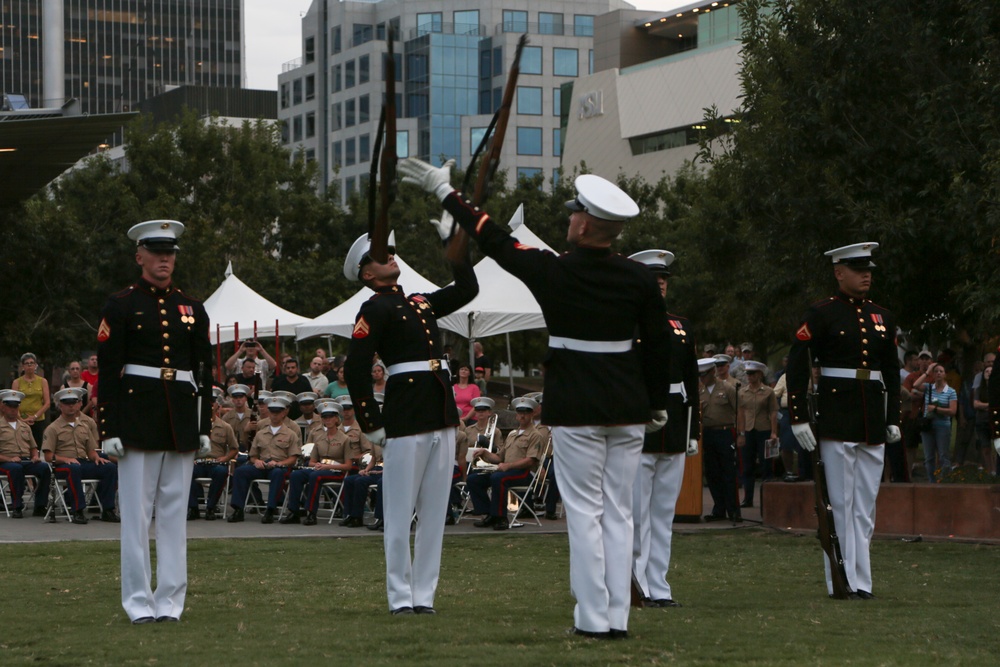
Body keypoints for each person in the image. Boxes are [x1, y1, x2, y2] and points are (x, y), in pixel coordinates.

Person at [400, 159, 669, 638]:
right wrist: (655, 401)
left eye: (572, 215)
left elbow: (496, 238)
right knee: (620, 512)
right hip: (628, 407)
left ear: (584, 224)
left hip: (577, 407)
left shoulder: (554, 272)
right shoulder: (641, 279)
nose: (568, 221)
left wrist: (447, 194)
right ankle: (619, 619)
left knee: (586, 511)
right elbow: (658, 344)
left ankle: (593, 618)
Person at [342, 231, 478, 616]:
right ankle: (400, 595)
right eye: (382, 257)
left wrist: (455, 246)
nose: (392, 258)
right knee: (400, 514)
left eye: (392, 253)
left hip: (440, 413)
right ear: (367, 273)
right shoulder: (374, 309)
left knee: (435, 515)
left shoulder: (419, 302)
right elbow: (356, 369)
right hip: (405, 416)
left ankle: (425, 596)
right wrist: (371, 421)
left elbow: (467, 287)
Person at [96, 219, 214, 624]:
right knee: (135, 517)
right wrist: (108, 427)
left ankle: (170, 603)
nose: (165, 259)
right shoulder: (121, 304)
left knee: (173, 517)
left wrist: (202, 425)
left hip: (179, 416)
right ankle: (138, 603)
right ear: (140, 256)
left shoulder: (192, 307)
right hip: (136, 417)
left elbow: (204, 371)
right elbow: (110, 371)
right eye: (157, 252)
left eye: (171, 253)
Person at [787, 242, 900, 600]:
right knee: (839, 502)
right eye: (857, 268)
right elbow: (797, 362)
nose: (866, 275)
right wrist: (798, 416)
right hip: (837, 414)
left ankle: (862, 581)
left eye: (868, 269)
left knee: (865, 505)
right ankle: (842, 577)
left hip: (871, 416)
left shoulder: (882, 315)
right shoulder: (821, 313)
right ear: (839, 272)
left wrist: (893, 416)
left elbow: (892, 372)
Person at [627, 249, 700, 609]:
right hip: (640, 425)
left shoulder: (680, 325)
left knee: (662, 515)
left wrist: (693, 432)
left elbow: (691, 384)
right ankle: (636, 584)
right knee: (638, 515)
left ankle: (659, 583)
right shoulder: (627, 323)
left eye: (664, 279)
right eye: (654, 279)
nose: (660, 284)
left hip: (674, 424)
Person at [43, 387, 120, 524]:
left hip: (82, 462)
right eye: (67, 403)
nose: (71, 406)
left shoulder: (84, 426)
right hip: (62, 465)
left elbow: (90, 450)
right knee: (74, 468)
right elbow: (49, 457)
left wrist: (96, 457)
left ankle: (108, 510)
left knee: (109, 468)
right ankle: (77, 510)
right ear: (60, 406)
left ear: (79, 404)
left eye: (73, 402)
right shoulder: (52, 428)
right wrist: (67, 459)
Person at [466, 396, 544, 530]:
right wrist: (485, 453)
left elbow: (530, 460)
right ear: (516, 415)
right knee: (474, 479)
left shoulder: (535, 435)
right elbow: (499, 458)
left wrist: (508, 466)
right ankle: (489, 513)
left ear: (531, 414)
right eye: (520, 413)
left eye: (525, 412)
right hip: (507, 471)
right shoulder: (512, 435)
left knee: (498, 478)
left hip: (523, 473)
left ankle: (501, 518)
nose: (522, 416)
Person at [227, 394, 301, 523]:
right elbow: (253, 455)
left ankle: (270, 509)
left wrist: (279, 463)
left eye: (277, 412)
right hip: (262, 465)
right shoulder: (261, 433)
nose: (274, 415)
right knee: (240, 471)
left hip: (279, 466)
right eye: (272, 412)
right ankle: (238, 509)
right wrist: (257, 461)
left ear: (284, 413)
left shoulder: (291, 434)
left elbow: (293, 458)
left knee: (278, 473)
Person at [0, 389, 52, 518]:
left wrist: (35, 456)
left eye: (16, 406)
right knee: (15, 469)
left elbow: (33, 447)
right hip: (5, 462)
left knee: (45, 468)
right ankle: (17, 506)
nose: (13, 409)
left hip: (24, 460)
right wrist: (9, 458)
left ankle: (40, 505)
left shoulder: (25, 426)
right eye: (10, 406)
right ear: (3, 407)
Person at [700, 355, 740, 522]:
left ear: (712, 372)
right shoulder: (699, 391)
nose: (702, 378)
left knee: (728, 472)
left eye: (704, 375)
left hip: (725, 432)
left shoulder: (727, 388)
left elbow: (740, 410)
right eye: (700, 375)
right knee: (712, 473)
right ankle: (719, 509)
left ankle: (734, 511)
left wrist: (741, 434)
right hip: (707, 434)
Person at [188, 389, 238, 520]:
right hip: (197, 462)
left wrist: (226, 458)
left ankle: (211, 507)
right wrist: (190, 458)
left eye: (213, 402)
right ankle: (193, 508)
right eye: (208, 402)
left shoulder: (225, 426)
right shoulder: (193, 425)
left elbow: (234, 448)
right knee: (186, 472)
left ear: (218, 406)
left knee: (221, 472)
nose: (210, 405)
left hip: (216, 463)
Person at [737, 360, 779, 507]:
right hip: (748, 430)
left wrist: (774, 432)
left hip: (764, 430)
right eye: (748, 374)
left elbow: (773, 412)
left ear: (759, 374)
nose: (749, 376)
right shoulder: (742, 392)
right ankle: (748, 499)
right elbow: (740, 414)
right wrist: (740, 433)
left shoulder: (768, 391)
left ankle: (767, 500)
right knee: (747, 466)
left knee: (766, 466)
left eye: (752, 374)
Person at [912, 363, 957, 481]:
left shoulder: (950, 391)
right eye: (936, 371)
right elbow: (915, 385)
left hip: (943, 425)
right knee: (929, 457)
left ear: (945, 374)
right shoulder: (929, 387)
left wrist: (937, 409)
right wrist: (927, 372)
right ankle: (931, 481)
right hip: (928, 425)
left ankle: (944, 480)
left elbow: (953, 411)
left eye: (941, 371)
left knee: (943, 455)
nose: (938, 373)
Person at [12, 353, 51, 447]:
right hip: (21, 419)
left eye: (32, 363)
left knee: (36, 446)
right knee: (22, 446)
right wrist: (21, 419)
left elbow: (47, 403)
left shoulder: (43, 381)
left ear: (35, 365)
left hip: (38, 420)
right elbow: (13, 403)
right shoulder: (17, 382)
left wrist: (35, 416)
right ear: (23, 366)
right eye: (27, 363)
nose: (29, 365)